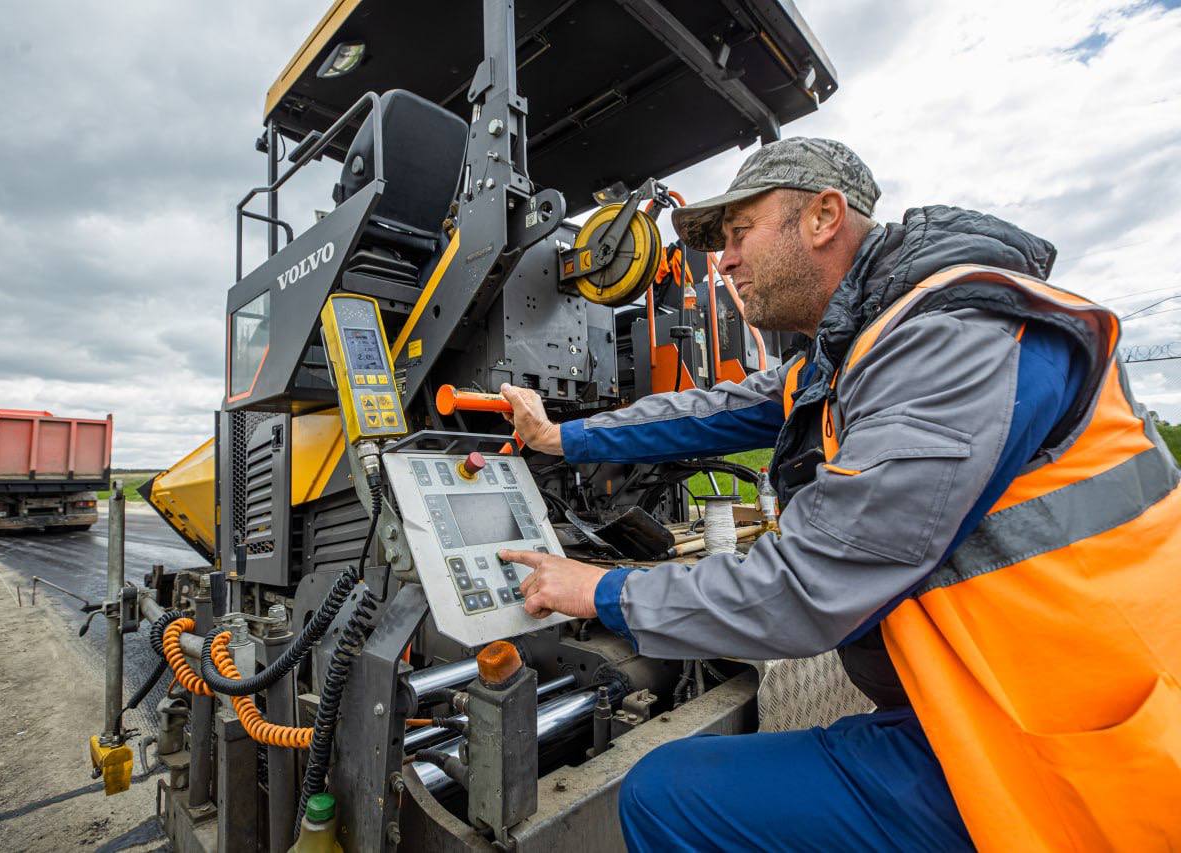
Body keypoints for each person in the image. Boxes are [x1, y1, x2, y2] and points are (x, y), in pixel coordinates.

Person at [496, 138, 1181, 851]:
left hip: (1083, 765)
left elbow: (809, 585)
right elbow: (708, 409)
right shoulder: (863, 345)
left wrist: (602, 591)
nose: (723, 261)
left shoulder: (952, 339)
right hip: (991, 697)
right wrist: (560, 438)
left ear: (824, 217)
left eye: (738, 234)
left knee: (668, 794)